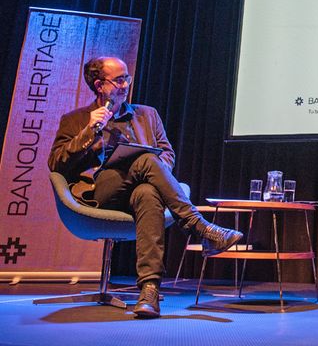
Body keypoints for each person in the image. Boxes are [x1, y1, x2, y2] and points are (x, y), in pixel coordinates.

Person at [49, 56, 243, 318]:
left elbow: (167, 153)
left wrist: (153, 166)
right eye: (118, 80)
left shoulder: (147, 115)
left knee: (148, 192)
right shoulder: (76, 119)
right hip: (102, 192)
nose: (125, 84)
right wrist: (89, 132)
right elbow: (56, 164)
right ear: (99, 85)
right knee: (146, 159)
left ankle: (149, 292)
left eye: (126, 78)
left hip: (138, 191)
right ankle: (200, 227)